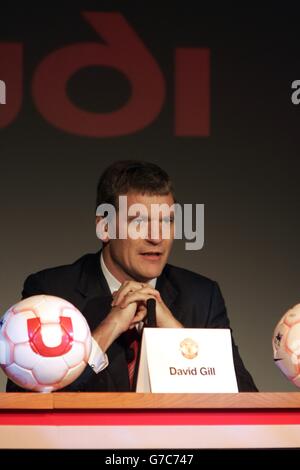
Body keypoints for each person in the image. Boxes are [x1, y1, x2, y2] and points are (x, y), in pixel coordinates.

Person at [6, 160, 258, 392]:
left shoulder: (201, 296)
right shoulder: (52, 294)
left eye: (167, 221)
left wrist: (175, 335)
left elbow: (244, 401)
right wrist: (110, 327)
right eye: (139, 222)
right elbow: (26, 402)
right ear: (104, 227)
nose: (156, 237)